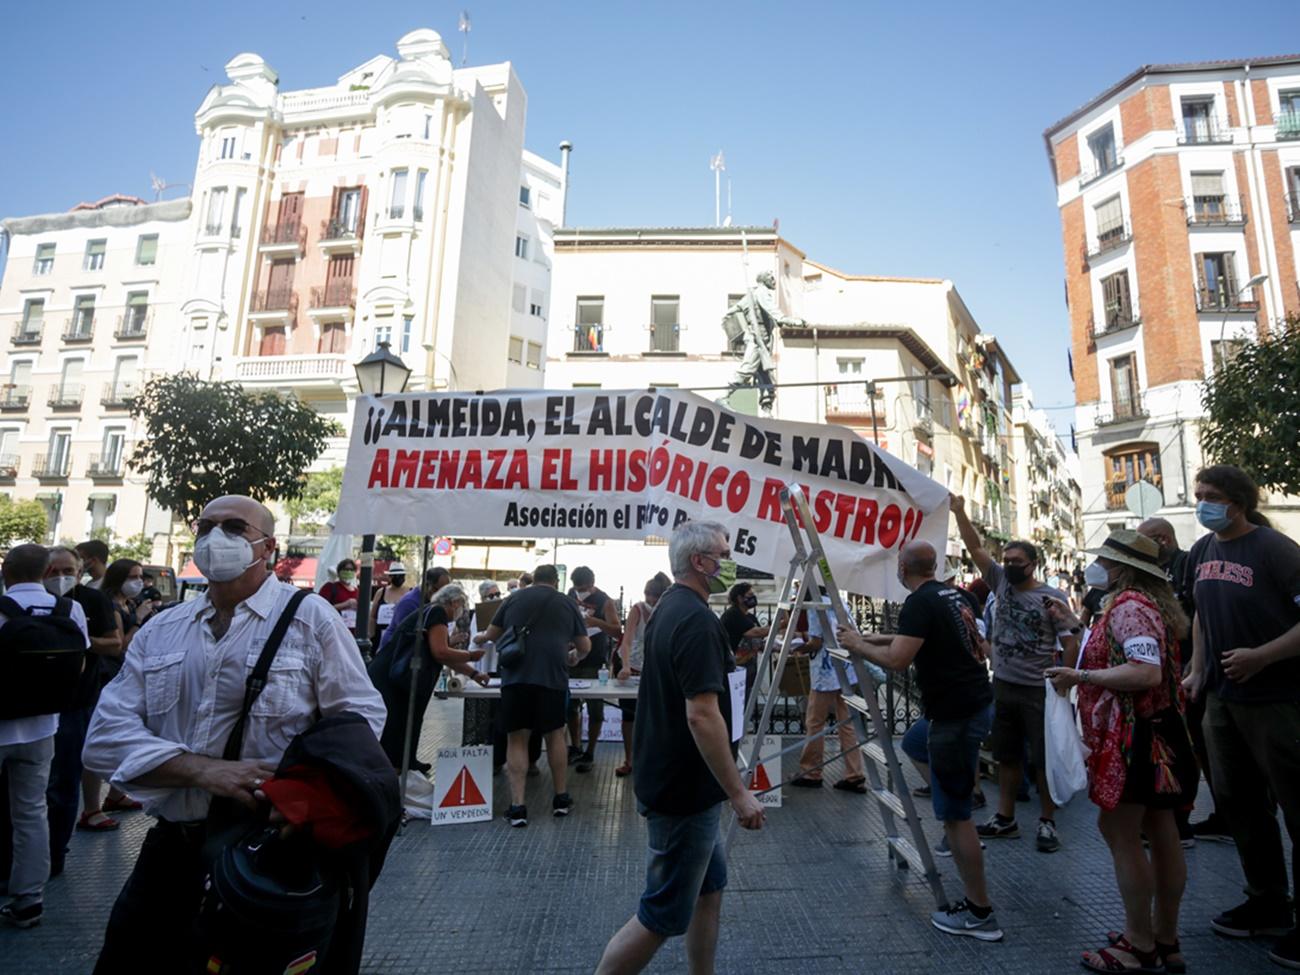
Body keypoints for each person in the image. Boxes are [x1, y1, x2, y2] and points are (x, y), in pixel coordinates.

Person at [82, 494, 387, 972]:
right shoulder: (164, 628)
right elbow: (102, 738)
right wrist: (204, 771)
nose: (215, 537)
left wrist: (304, 801)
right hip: (170, 850)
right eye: (205, 527)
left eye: (233, 527)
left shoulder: (310, 619)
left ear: (268, 546)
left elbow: (359, 722)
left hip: (264, 852)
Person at [595, 521, 765, 974]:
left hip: (687, 785)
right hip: (683, 793)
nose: (728, 565)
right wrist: (739, 792)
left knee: (709, 890)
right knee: (661, 915)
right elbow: (701, 713)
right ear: (700, 562)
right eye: (723, 556)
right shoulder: (692, 619)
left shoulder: (672, 606)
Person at [1043, 530, 1195, 972]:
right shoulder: (1148, 606)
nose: (1098, 568)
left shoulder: (1128, 608)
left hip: (1137, 738)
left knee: (1120, 832)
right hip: (1162, 735)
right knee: (1162, 832)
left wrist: (1081, 679)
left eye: (1105, 561)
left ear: (1122, 568)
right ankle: (1166, 938)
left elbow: (1144, 672)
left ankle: (1138, 943)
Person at [838, 541, 1002, 941]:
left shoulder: (919, 602)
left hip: (955, 714)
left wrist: (859, 645)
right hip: (970, 704)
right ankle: (957, 797)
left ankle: (980, 913)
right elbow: (920, 637)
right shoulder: (953, 593)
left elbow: (898, 659)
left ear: (903, 567)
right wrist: (875, 636)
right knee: (913, 742)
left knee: (955, 814)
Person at [1181, 465, 1300, 968]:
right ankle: (1267, 900)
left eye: (1211, 496)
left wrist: (1263, 656)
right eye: (1199, 495)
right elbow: (1204, 616)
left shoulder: (1276, 550)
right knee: (1240, 805)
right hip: (1223, 700)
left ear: (1238, 502)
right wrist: (1197, 668)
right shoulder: (1204, 552)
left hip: (1278, 700)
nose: (1202, 503)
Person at [952, 494, 1079, 853]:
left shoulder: (1052, 597)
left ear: (1033, 564)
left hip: (1039, 689)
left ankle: (1047, 821)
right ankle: (1005, 818)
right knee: (1007, 755)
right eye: (1006, 560)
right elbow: (974, 547)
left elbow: (1070, 639)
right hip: (1005, 685)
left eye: (1017, 561)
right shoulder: (1001, 583)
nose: (1009, 565)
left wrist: (1066, 678)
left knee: (1042, 759)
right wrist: (960, 511)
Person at [0, 544, 90, 930]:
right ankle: (28, 901)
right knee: (32, 812)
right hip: (43, 727)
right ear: (48, 570)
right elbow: (80, 663)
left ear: (6, 571)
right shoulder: (70, 611)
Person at [478, 564, 590, 828]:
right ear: (555, 581)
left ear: (534, 580)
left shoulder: (513, 598)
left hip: (516, 678)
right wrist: (575, 656)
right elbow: (585, 645)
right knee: (555, 736)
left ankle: (518, 807)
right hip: (553, 678)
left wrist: (479, 636)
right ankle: (560, 799)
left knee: (516, 738)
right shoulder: (566, 602)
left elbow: (491, 636)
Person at [28, 549, 121, 864]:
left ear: (80, 571)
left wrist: (77, 641)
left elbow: (114, 642)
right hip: (29, 706)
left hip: (75, 702)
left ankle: (55, 853)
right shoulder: (27, 603)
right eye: (53, 570)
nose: (61, 576)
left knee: (64, 780)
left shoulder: (92, 602)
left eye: (68, 569)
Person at [1138, 516, 1213, 847]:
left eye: (1145, 543)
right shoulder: (1154, 572)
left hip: (1187, 673)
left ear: (1162, 540)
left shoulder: (1186, 566)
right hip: (1167, 675)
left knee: (1189, 746)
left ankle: (1182, 819)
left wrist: (1195, 665)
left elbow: (1200, 619)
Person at [368, 584, 488, 771]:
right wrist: (471, 657)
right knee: (399, 721)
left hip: (399, 675)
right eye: (462, 606)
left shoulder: (430, 613)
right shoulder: (437, 612)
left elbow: (443, 654)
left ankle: (407, 761)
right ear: (455, 602)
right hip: (396, 677)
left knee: (410, 719)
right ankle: (395, 766)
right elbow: (441, 653)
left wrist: (473, 673)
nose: (462, 611)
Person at [792, 597, 867, 793]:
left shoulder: (815, 606)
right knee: (848, 723)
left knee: (815, 722)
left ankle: (811, 772)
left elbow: (817, 642)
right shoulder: (839, 600)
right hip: (845, 669)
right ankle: (854, 773)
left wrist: (797, 647)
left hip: (825, 674)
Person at [613, 573, 671, 778]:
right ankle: (629, 759)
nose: (650, 600)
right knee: (628, 715)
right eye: (648, 595)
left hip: (655, 667)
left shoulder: (667, 609)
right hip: (635, 665)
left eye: (654, 595)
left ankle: (652, 759)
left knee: (655, 716)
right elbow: (627, 640)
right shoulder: (638, 609)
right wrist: (625, 665)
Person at [566, 566, 621, 773]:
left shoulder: (604, 601)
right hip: (571, 657)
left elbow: (617, 631)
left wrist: (594, 621)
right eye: (577, 588)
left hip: (594, 659)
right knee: (570, 705)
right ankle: (575, 745)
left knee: (595, 707)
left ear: (592, 584)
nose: (580, 591)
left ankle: (590, 750)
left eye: (583, 588)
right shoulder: (570, 596)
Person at [719, 582, 768, 714]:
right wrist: (779, 625)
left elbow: (759, 640)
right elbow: (756, 632)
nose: (753, 598)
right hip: (734, 669)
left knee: (745, 702)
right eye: (750, 595)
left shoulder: (750, 617)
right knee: (734, 706)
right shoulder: (733, 615)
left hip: (749, 669)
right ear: (740, 598)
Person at [378, 566, 451, 654]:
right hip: (394, 653)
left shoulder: (431, 600)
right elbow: (407, 635)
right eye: (438, 590)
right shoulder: (409, 602)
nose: (442, 595)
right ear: (427, 585)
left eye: (445, 591)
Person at [369, 561, 409, 648]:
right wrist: (371, 635)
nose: (399, 578)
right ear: (390, 577)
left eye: (401, 576)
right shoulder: (381, 592)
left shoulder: (409, 592)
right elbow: (372, 616)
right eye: (396, 576)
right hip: (381, 635)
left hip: (402, 635)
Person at [319, 558, 361, 628]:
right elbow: (321, 608)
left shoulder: (357, 591)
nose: (348, 572)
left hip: (352, 630)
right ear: (338, 572)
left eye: (351, 570)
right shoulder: (330, 587)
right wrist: (345, 604)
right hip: (334, 629)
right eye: (346, 569)